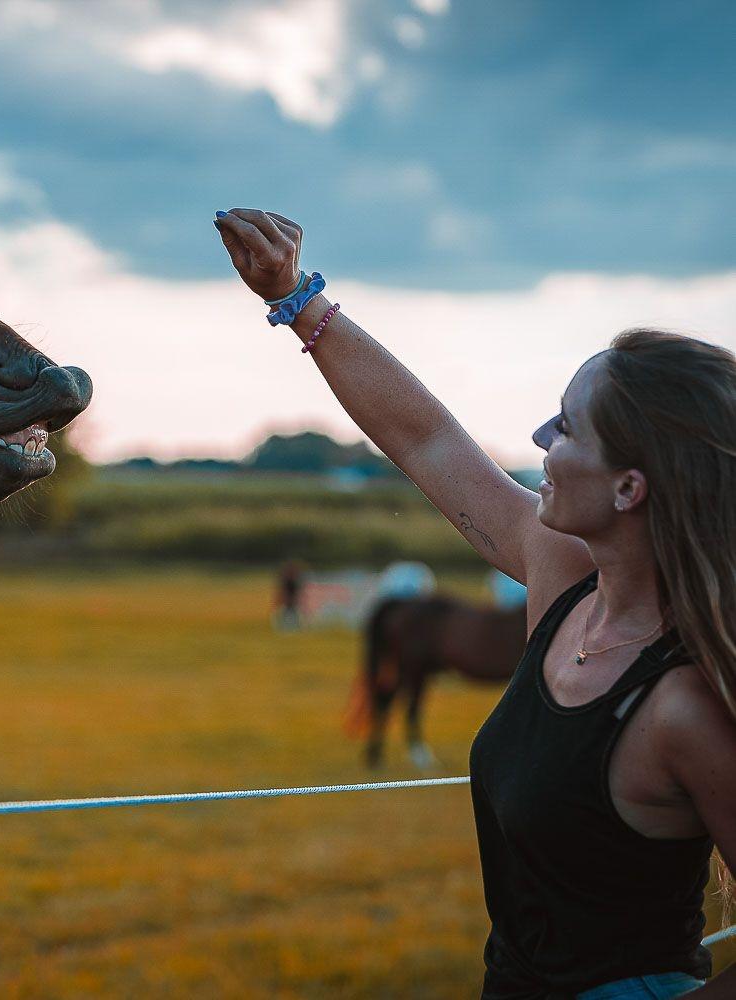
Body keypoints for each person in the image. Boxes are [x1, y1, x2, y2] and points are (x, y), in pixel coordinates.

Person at [215, 207, 736, 1000]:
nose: (538, 439)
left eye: (565, 427)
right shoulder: (564, 583)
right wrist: (294, 297)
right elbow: (428, 441)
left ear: (630, 487)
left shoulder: (683, 705)